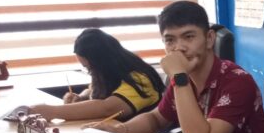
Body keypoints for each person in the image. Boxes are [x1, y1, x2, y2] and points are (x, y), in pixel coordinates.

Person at [86, 1, 264, 133]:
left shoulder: (237, 81)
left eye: (189, 37)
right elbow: (156, 119)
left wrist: (179, 76)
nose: (179, 47)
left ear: (209, 39)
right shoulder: (183, 79)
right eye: (170, 40)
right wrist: (120, 130)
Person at [29, 29, 164, 122]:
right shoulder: (108, 73)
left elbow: (108, 108)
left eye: (90, 68)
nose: (90, 72)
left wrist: (53, 111)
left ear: (103, 62)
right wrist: (81, 97)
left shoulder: (140, 78)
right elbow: (93, 90)